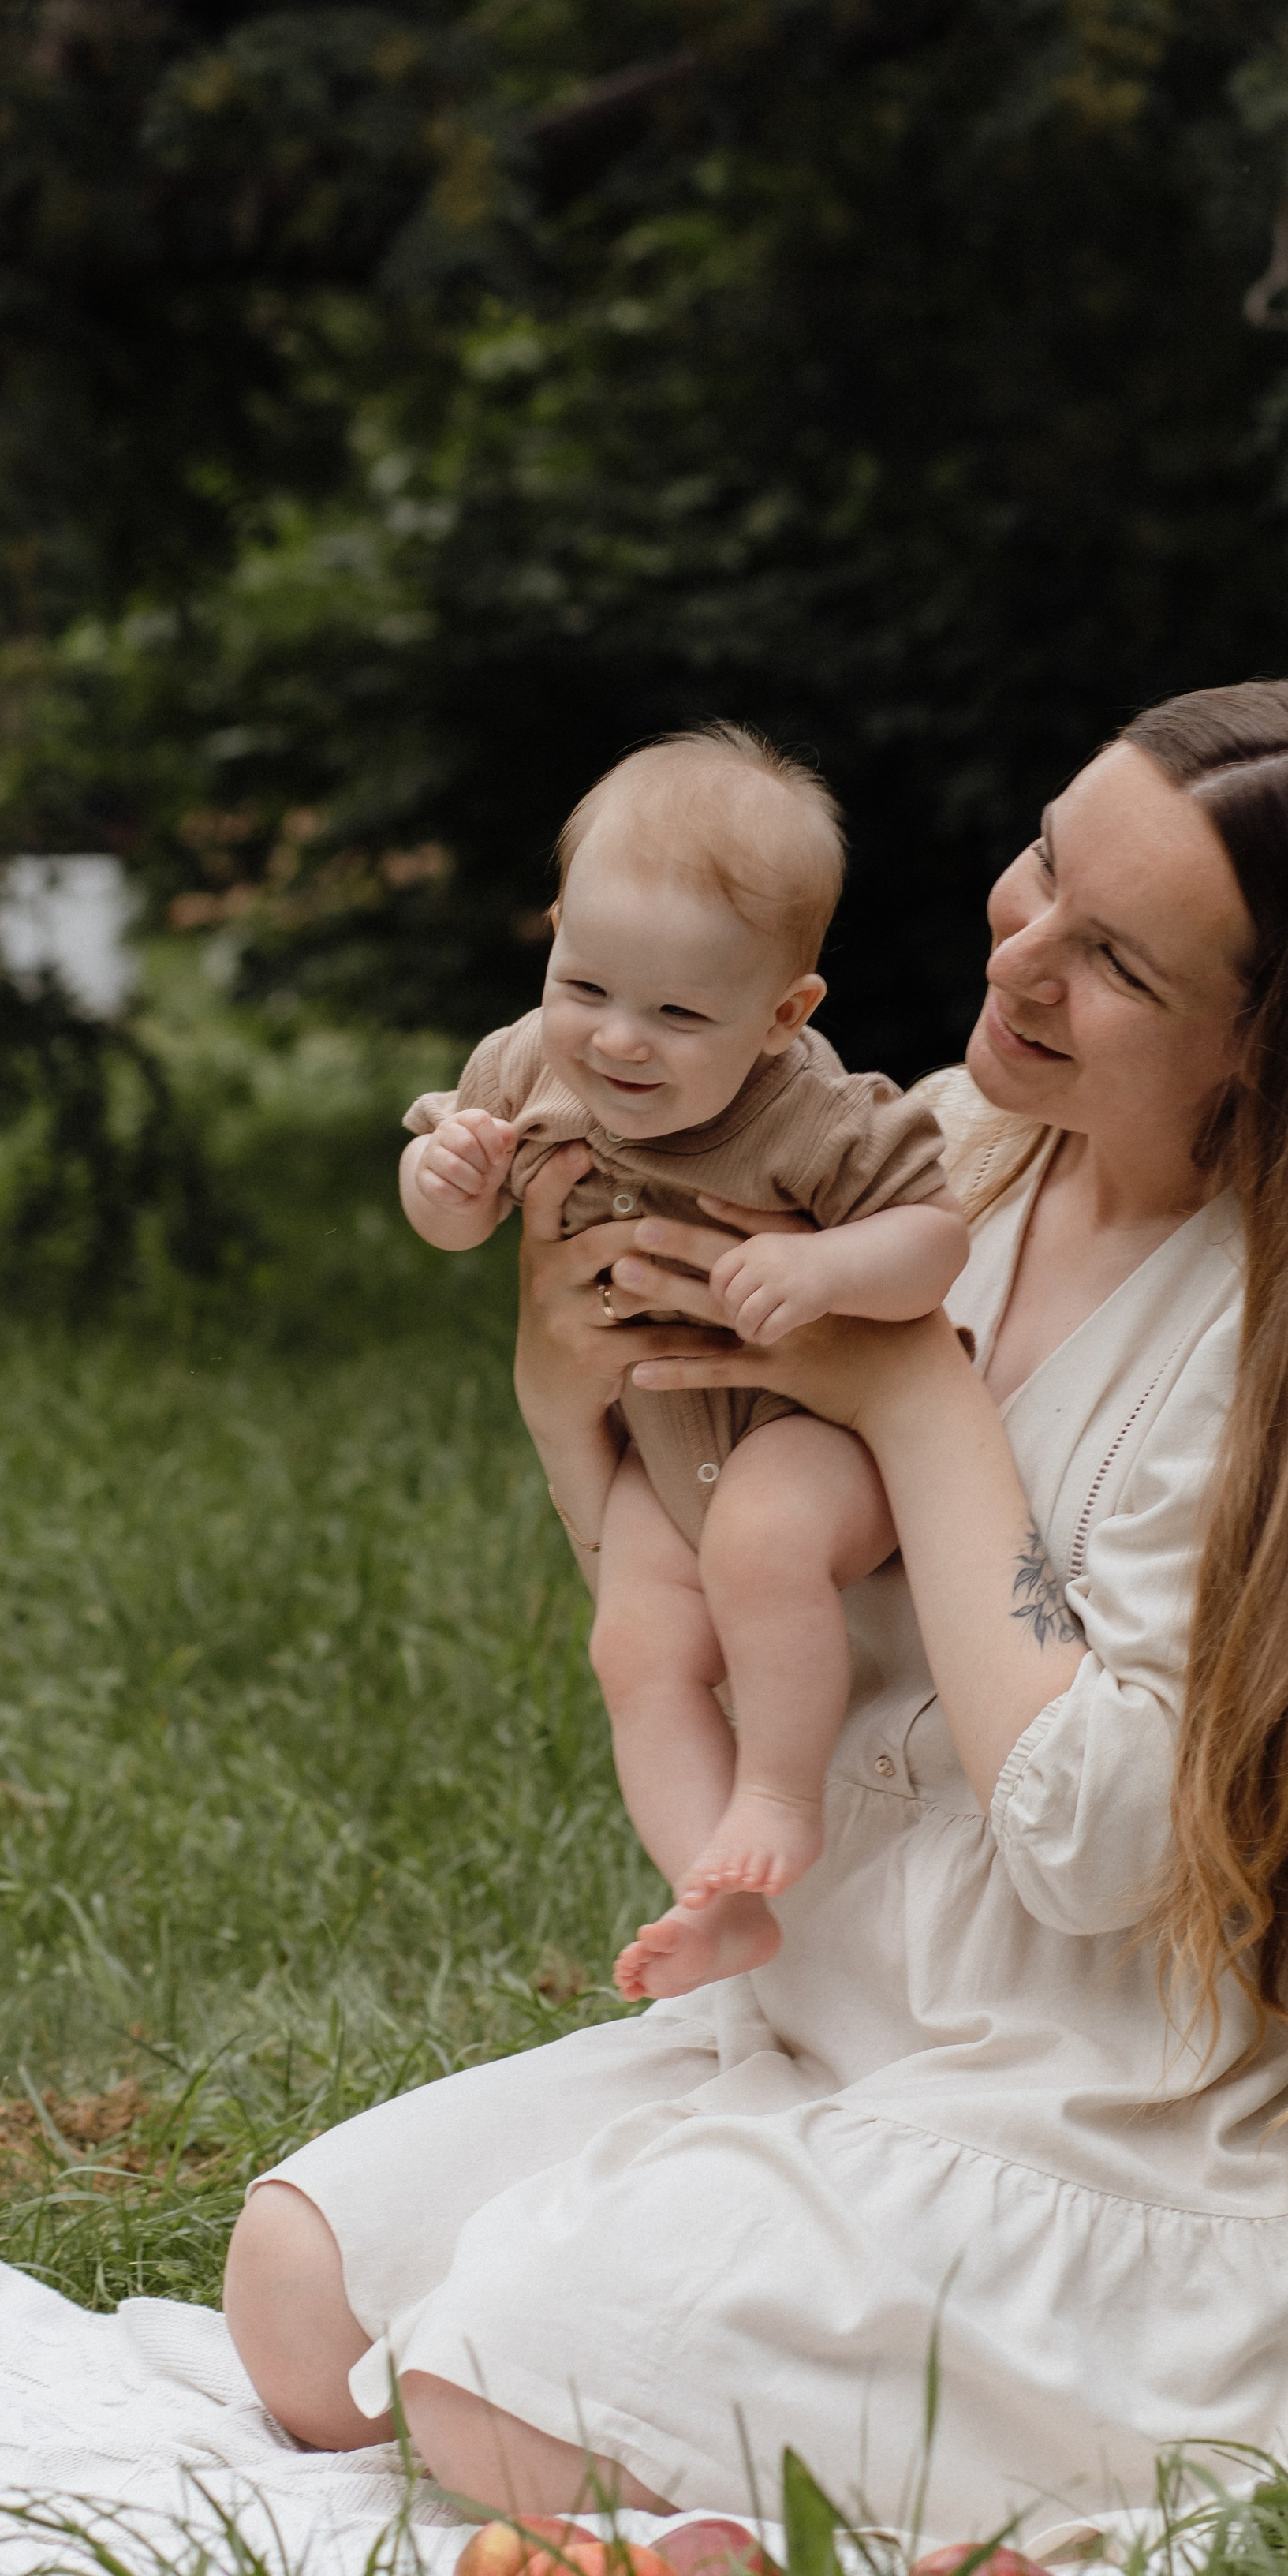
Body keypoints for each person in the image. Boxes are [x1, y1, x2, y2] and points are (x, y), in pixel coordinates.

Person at [224, 681, 1288, 2549]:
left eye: (1109, 957)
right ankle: (732, 2307)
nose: (1019, 949)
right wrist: (568, 1392)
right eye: (1039, 861)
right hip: (833, 2025)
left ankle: (1178, 2379)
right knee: (300, 2295)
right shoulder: (941, 1150)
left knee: (494, 2370)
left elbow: (1099, 1847)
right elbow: (700, 1565)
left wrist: (916, 1400)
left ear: (1267, 1045)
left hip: (1106, 2105)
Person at [401, 725, 968, 1998]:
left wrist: (826, 1270)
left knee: (761, 1541)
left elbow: (935, 1239)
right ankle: (710, 1897)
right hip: (663, 1438)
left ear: (783, 1014)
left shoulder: (816, 1114)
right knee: (635, 1641)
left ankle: (776, 1796)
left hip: (809, 1432)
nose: (618, 1043)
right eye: (587, 986)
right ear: (555, 932)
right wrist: (445, 1180)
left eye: (677, 1013)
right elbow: (450, 1211)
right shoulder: (527, 1063)